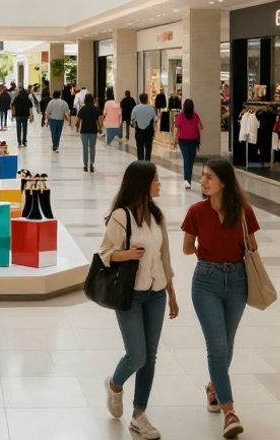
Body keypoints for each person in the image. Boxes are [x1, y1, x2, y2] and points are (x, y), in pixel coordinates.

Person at [182, 160, 260, 438]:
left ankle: (213, 387)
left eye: (209, 177)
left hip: (237, 281)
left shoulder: (243, 211)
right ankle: (229, 411)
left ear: (224, 182)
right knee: (216, 347)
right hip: (205, 281)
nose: (203, 182)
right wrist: (209, 250)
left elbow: (252, 244)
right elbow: (186, 248)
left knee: (227, 345)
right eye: (202, 177)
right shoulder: (196, 212)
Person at [100, 161, 178, 440]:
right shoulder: (121, 216)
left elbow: (164, 256)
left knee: (151, 358)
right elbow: (105, 253)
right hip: (130, 294)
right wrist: (127, 254)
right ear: (142, 183)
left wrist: (171, 294)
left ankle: (139, 415)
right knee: (137, 354)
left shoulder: (157, 216)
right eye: (156, 179)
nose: (160, 183)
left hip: (156, 293)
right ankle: (115, 384)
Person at [175, 99, 203, 188]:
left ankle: (187, 180)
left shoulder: (180, 116)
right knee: (190, 160)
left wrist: (174, 141)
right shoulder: (195, 115)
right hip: (193, 140)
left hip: (183, 141)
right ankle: (187, 180)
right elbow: (201, 128)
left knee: (187, 160)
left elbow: (178, 129)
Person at [78, 93, 101, 173]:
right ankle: (91, 163)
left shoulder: (82, 109)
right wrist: (100, 128)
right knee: (92, 147)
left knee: (85, 148)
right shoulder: (96, 109)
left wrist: (77, 127)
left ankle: (85, 164)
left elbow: (79, 120)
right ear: (92, 100)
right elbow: (98, 120)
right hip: (93, 130)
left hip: (84, 131)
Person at [130, 95, 157, 161]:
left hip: (139, 131)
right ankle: (147, 163)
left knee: (139, 148)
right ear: (147, 99)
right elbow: (155, 120)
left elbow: (132, 121)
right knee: (148, 149)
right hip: (149, 131)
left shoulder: (136, 108)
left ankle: (140, 162)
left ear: (140, 99)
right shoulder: (151, 108)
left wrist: (135, 125)